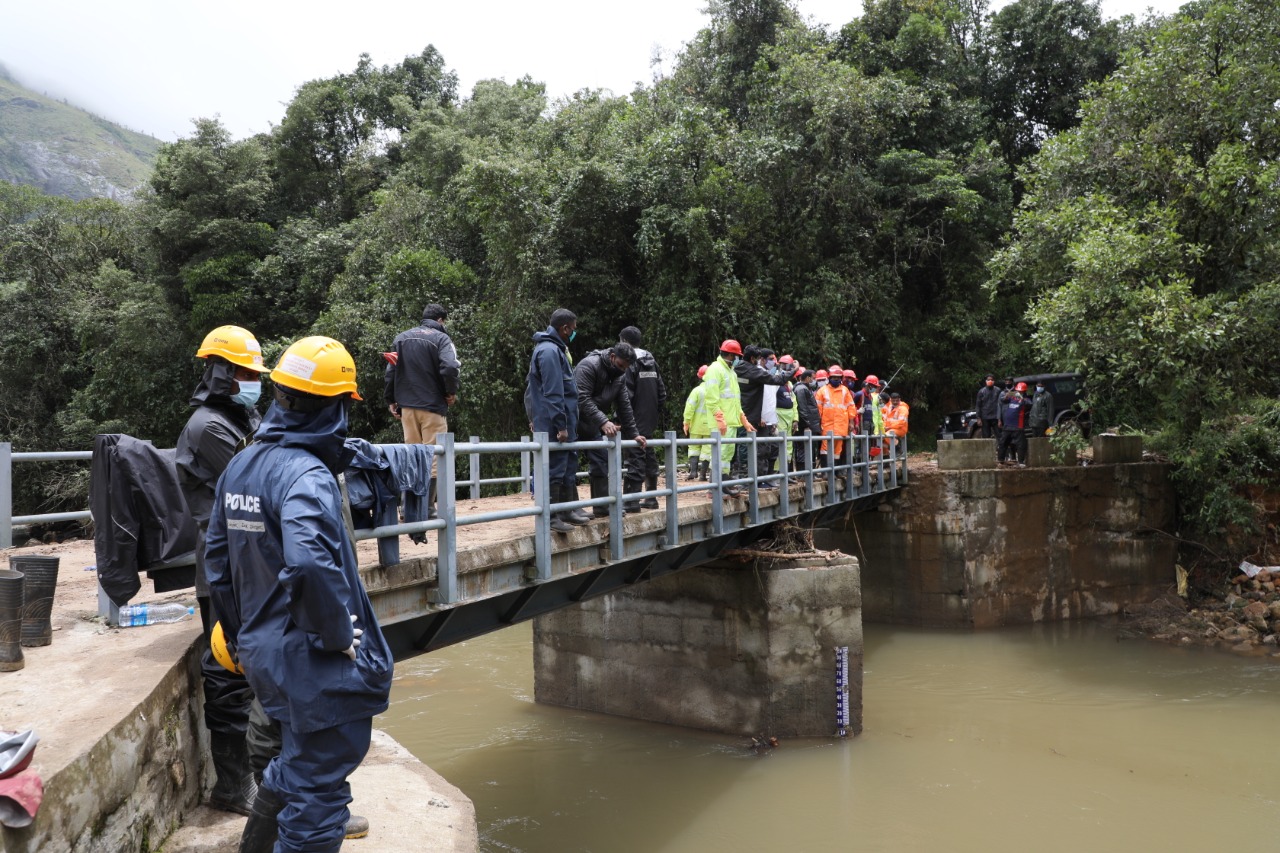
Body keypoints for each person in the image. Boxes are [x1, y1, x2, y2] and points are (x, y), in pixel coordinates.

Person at [206, 336, 393, 853]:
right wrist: (336, 635)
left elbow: (217, 565)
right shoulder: (307, 475)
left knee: (294, 768)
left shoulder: (242, 465)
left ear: (280, 394)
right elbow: (309, 561)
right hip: (310, 663)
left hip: (264, 656)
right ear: (336, 406)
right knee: (317, 800)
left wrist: (241, 637)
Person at [175, 325, 267, 817]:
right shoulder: (209, 427)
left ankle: (261, 780)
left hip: (244, 562)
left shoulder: (235, 418)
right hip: (224, 568)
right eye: (248, 373)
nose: (256, 380)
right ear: (223, 373)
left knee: (255, 673)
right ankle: (233, 787)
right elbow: (259, 473)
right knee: (229, 674)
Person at [384, 303, 460, 521]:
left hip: (407, 408)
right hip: (432, 408)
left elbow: (391, 370)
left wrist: (391, 399)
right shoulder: (441, 339)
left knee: (410, 456)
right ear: (441, 321)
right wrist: (450, 392)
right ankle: (426, 508)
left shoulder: (401, 338)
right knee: (433, 458)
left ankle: (407, 509)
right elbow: (450, 367)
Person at [525, 309, 591, 532]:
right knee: (554, 468)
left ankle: (565, 511)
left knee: (566, 466)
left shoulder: (557, 350)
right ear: (564, 328)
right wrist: (561, 425)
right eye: (573, 328)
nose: (574, 332)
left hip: (564, 422)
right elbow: (554, 393)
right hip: (554, 424)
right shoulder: (549, 351)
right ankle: (552, 517)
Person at [574, 341, 646, 516]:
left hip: (593, 424)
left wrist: (634, 434)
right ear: (613, 357)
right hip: (572, 421)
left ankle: (602, 506)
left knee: (601, 460)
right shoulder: (589, 366)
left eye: (627, 367)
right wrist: (604, 421)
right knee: (568, 465)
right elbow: (581, 398)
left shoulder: (619, 376)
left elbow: (624, 406)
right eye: (621, 365)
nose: (623, 370)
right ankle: (569, 510)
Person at [619, 326, 667, 511]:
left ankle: (632, 501)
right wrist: (653, 413)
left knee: (634, 457)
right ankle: (651, 497)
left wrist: (622, 419)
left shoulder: (629, 363)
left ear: (624, 341)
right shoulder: (651, 361)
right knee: (649, 455)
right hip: (648, 419)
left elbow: (625, 394)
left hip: (633, 419)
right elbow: (662, 393)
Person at [701, 340, 753, 497]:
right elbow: (711, 397)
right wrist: (719, 418)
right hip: (721, 422)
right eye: (737, 356)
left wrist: (743, 419)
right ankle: (715, 488)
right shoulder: (715, 370)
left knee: (726, 456)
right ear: (730, 355)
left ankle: (722, 485)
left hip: (730, 422)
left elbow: (734, 400)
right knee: (720, 454)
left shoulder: (731, 372)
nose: (738, 359)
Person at [734, 346, 789, 479]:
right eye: (769, 359)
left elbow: (769, 399)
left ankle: (758, 476)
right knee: (748, 446)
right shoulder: (756, 373)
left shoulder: (740, 370)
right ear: (754, 358)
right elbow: (764, 397)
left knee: (761, 448)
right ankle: (745, 475)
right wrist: (794, 371)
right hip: (750, 415)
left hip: (751, 415)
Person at [815, 365, 855, 469]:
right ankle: (825, 472)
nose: (836, 380)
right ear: (829, 378)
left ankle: (836, 472)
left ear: (841, 378)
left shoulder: (845, 391)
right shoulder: (822, 391)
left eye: (838, 378)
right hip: (827, 426)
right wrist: (818, 424)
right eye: (834, 378)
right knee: (825, 449)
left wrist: (851, 422)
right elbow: (817, 410)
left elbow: (851, 407)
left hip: (841, 426)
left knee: (838, 450)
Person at [681, 365, 712, 480]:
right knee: (707, 450)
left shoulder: (697, 391)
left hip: (696, 426)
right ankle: (703, 475)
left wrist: (686, 422)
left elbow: (689, 408)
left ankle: (693, 472)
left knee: (694, 448)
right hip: (710, 426)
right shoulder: (714, 391)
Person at [792, 368, 822, 473]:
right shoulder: (801, 389)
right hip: (805, 425)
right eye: (813, 378)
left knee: (810, 448)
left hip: (810, 424)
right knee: (803, 449)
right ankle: (802, 473)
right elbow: (802, 408)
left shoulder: (806, 389)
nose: (815, 381)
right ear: (808, 378)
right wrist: (806, 424)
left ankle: (810, 472)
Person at [997, 381, 1032, 466]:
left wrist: (1022, 398)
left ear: (1024, 391)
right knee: (1003, 443)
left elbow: (1029, 404)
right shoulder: (1012, 397)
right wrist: (1008, 395)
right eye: (1018, 391)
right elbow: (1002, 400)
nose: (1019, 392)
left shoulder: (1026, 399)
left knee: (1020, 444)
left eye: (1021, 391)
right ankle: (1001, 460)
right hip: (1007, 425)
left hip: (1018, 426)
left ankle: (1021, 462)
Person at [976, 374, 1001, 438]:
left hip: (995, 417)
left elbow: (1000, 404)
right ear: (985, 381)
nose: (990, 381)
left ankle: (1000, 448)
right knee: (986, 436)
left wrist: (1000, 418)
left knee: (999, 435)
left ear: (994, 381)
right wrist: (978, 418)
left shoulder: (998, 390)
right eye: (988, 380)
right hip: (985, 418)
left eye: (992, 380)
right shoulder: (981, 391)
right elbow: (978, 405)